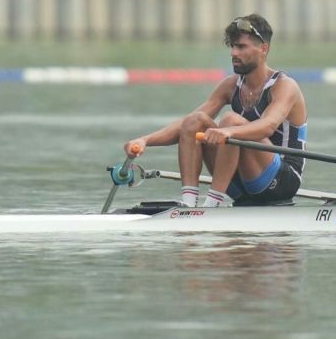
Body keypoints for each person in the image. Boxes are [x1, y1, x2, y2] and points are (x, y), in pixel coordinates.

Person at [124, 13, 308, 207]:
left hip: (281, 181)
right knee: (195, 121)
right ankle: (188, 203)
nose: (233, 53)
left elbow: (268, 126)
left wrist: (228, 131)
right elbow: (185, 127)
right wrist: (144, 140)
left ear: (263, 49)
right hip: (242, 184)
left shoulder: (284, 86)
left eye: (241, 47)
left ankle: (212, 204)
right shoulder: (230, 86)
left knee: (230, 120)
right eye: (233, 46)